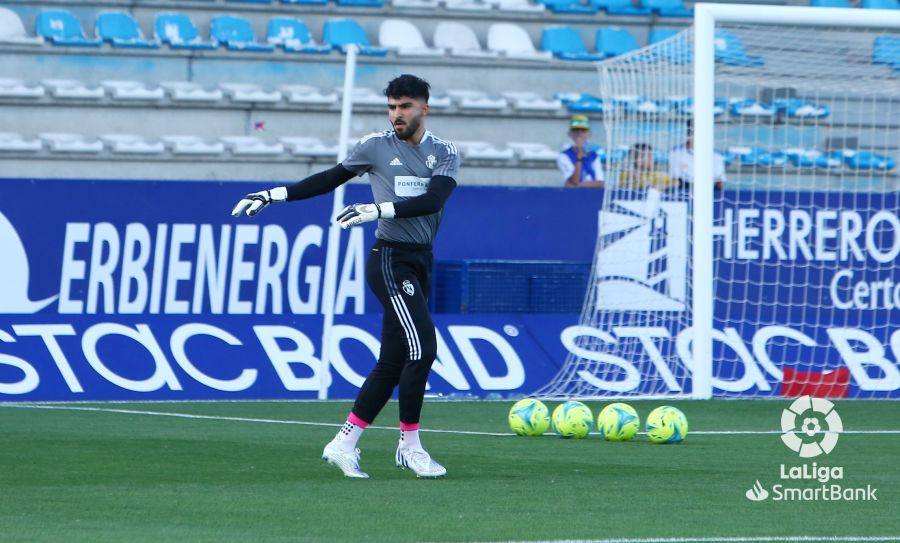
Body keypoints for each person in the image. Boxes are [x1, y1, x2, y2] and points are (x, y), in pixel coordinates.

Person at [231, 74, 458, 479]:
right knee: (422, 349)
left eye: (404, 106)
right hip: (390, 259)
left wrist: (378, 209)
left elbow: (433, 199)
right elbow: (329, 179)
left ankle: (343, 443)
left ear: (424, 108)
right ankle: (410, 447)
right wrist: (273, 194)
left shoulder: (443, 151)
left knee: (392, 361)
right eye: (391, 106)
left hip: (422, 259)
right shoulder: (374, 146)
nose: (396, 114)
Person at [668, 119, 726, 191]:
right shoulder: (676, 153)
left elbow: (720, 183)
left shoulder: (716, 156)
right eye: (693, 132)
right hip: (683, 191)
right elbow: (675, 180)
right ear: (688, 133)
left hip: (708, 191)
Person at [557, 114, 605, 188]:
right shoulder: (564, 156)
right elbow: (574, 181)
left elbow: (600, 183)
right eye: (576, 131)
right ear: (570, 134)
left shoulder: (594, 156)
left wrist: (577, 185)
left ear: (589, 134)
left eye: (583, 131)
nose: (579, 134)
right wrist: (579, 157)